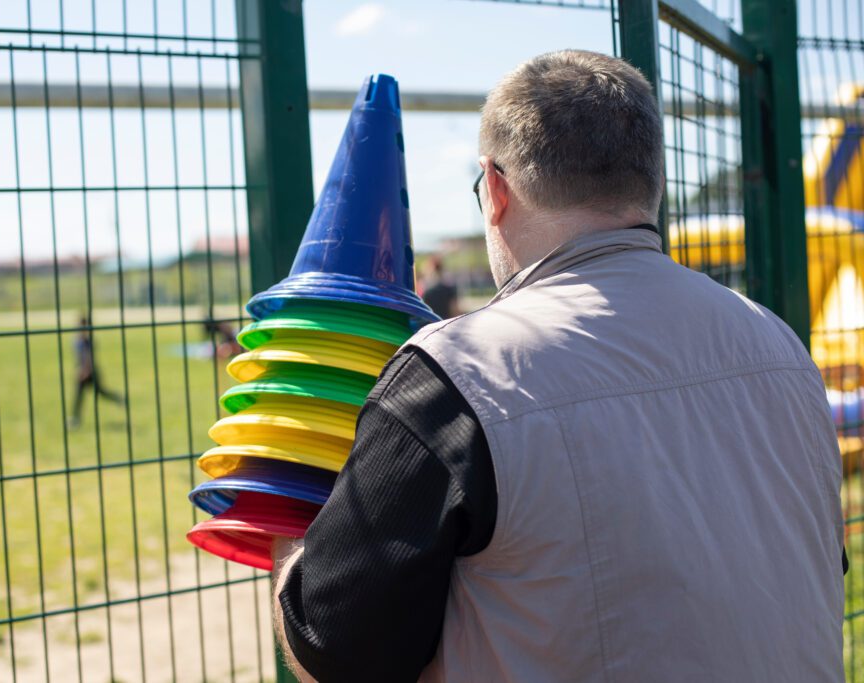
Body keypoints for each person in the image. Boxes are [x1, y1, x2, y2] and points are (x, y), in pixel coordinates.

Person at [271, 50, 846, 682]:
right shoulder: (783, 349)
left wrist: (286, 538)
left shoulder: (456, 376)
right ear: (652, 180)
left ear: (494, 189)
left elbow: (333, 650)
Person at [70, 315, 125, 427]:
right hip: (82, 372)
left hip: (90, 372)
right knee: (79, 396)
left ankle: (119, 398)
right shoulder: (77, 340)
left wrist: (85, 371)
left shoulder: (87, 341)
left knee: (101, 393)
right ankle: (75, 419)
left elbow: (88, 357)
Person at [419, 255, 460, 319]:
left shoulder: (427, 291)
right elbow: (455, 311)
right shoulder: (449, 289)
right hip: (447, 324)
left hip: (432, 325)